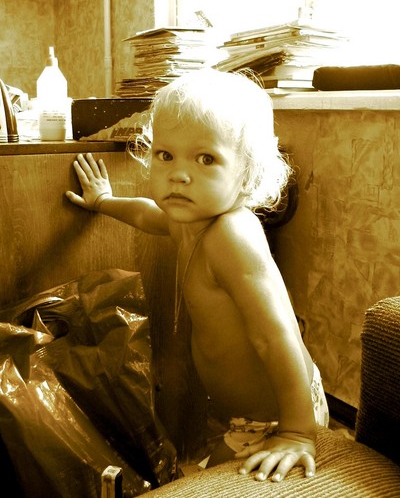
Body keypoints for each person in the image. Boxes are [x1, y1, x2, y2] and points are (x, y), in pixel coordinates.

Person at [65, 68, 329, 483]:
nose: (178, 174)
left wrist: (297, 431)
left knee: (206, 484)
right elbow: (147, 215)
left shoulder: (231, 234)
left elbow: (277, 334)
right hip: (244, 416)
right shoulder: (191, 219)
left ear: (248, 172)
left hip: (278, 415)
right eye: (165, 155)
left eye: (206, 159)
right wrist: (104, 201)